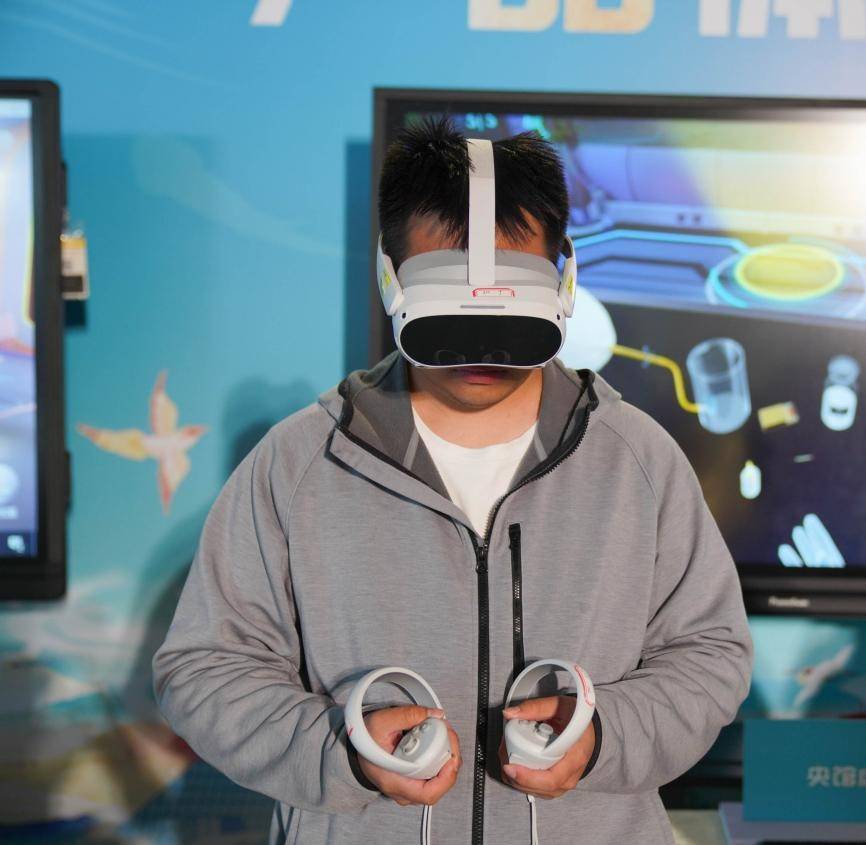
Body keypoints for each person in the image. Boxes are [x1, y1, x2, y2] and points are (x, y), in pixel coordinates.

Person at [152, 117, 754, 844]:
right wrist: (342, 751)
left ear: (562, 277)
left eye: (506, 317)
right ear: (391, 277)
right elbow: (205, 667)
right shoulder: (300, 463)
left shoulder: (637, 460)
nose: (481, 350)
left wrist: (603, 738)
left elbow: (709, 654)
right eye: (451, 320)